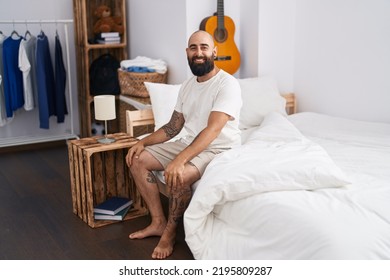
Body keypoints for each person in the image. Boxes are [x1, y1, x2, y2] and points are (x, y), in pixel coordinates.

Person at [125, 30, 242, 259]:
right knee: (137, 159)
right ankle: (157, 222)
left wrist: (180, 160)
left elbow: (213, 130)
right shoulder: (188, 86)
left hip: (218, 147)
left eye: (204, 47)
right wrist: (143, 142)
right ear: (187, 52)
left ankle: (169, 233)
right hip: (189, 142)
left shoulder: (227, 84)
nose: (199, 53)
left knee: (178, 175)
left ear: (214, 52)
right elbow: (173, 127)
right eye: (194, 47)